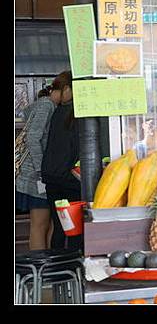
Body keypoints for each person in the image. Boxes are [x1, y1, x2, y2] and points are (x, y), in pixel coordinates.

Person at [15, 83, 62, 250]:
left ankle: (45, 266)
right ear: (64, 89)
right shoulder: (46, 105)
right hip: (37, 177)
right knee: (40, 225)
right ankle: (40, 269)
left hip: (34, 175)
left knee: (47, 224)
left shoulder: (44, 105)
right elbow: (33, 138)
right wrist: (41, 169)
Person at [40, 71, 82, 251]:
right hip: (71, 180)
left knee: (59, 228)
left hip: (52, 179)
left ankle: (58, 273)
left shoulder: (57, 112)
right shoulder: (77, 114)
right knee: (75, 231)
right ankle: (73, 272)